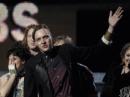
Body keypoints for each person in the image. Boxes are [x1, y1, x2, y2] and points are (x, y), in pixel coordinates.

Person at [24, 6, 124, 97]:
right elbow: (29, 94)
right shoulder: (32, 64)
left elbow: (94, 51)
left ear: (51, 38)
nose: (43, 41)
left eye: (45, 37)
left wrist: (110, 28)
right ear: (36, 43)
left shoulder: (66, 50)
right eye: (39, 39)